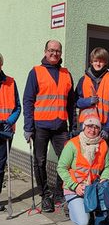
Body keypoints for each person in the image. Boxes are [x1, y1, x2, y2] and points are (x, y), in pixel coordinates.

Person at [23, 40, 76, 213]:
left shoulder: (66, 74)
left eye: (58, 51)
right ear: (45, 52)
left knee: (66, 161)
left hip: (61, 126)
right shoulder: (36, 72)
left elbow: (71, 104)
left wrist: (73, 125)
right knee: (40, 161)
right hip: (40, 127)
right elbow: (28, 100)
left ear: (61, 53)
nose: (54, 53)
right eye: (51, 50)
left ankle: (60, 192)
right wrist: (28, 126)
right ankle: (45, 196)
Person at [57, 114, 109, 225]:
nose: (92, 130)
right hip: (74, 189)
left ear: (100, 129)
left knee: (108, 216)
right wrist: (75, 186)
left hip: (93, 189)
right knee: (83, 223)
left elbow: (107, 167)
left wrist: (104, 179)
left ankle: (89, 207)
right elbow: (61, 168)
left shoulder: (103, 145)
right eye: (89, 126)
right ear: (84, 127)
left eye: (96, 127)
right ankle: (70, 206)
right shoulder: (72, 144)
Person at [75, 47, 109, 139]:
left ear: (106, 62)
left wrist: (107, 129)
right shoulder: (83, 80)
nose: (98, 64)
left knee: (101, 153)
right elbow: (76, 102)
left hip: (102, 127)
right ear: (91, 62)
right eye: (95, 61)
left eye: (101, 61)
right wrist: (88, 101)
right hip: (85, 126)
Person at [0, 53, 21, 211]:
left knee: (0, 166)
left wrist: (9, 121)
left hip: (5, 130)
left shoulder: (10, 82)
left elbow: (17, 107)